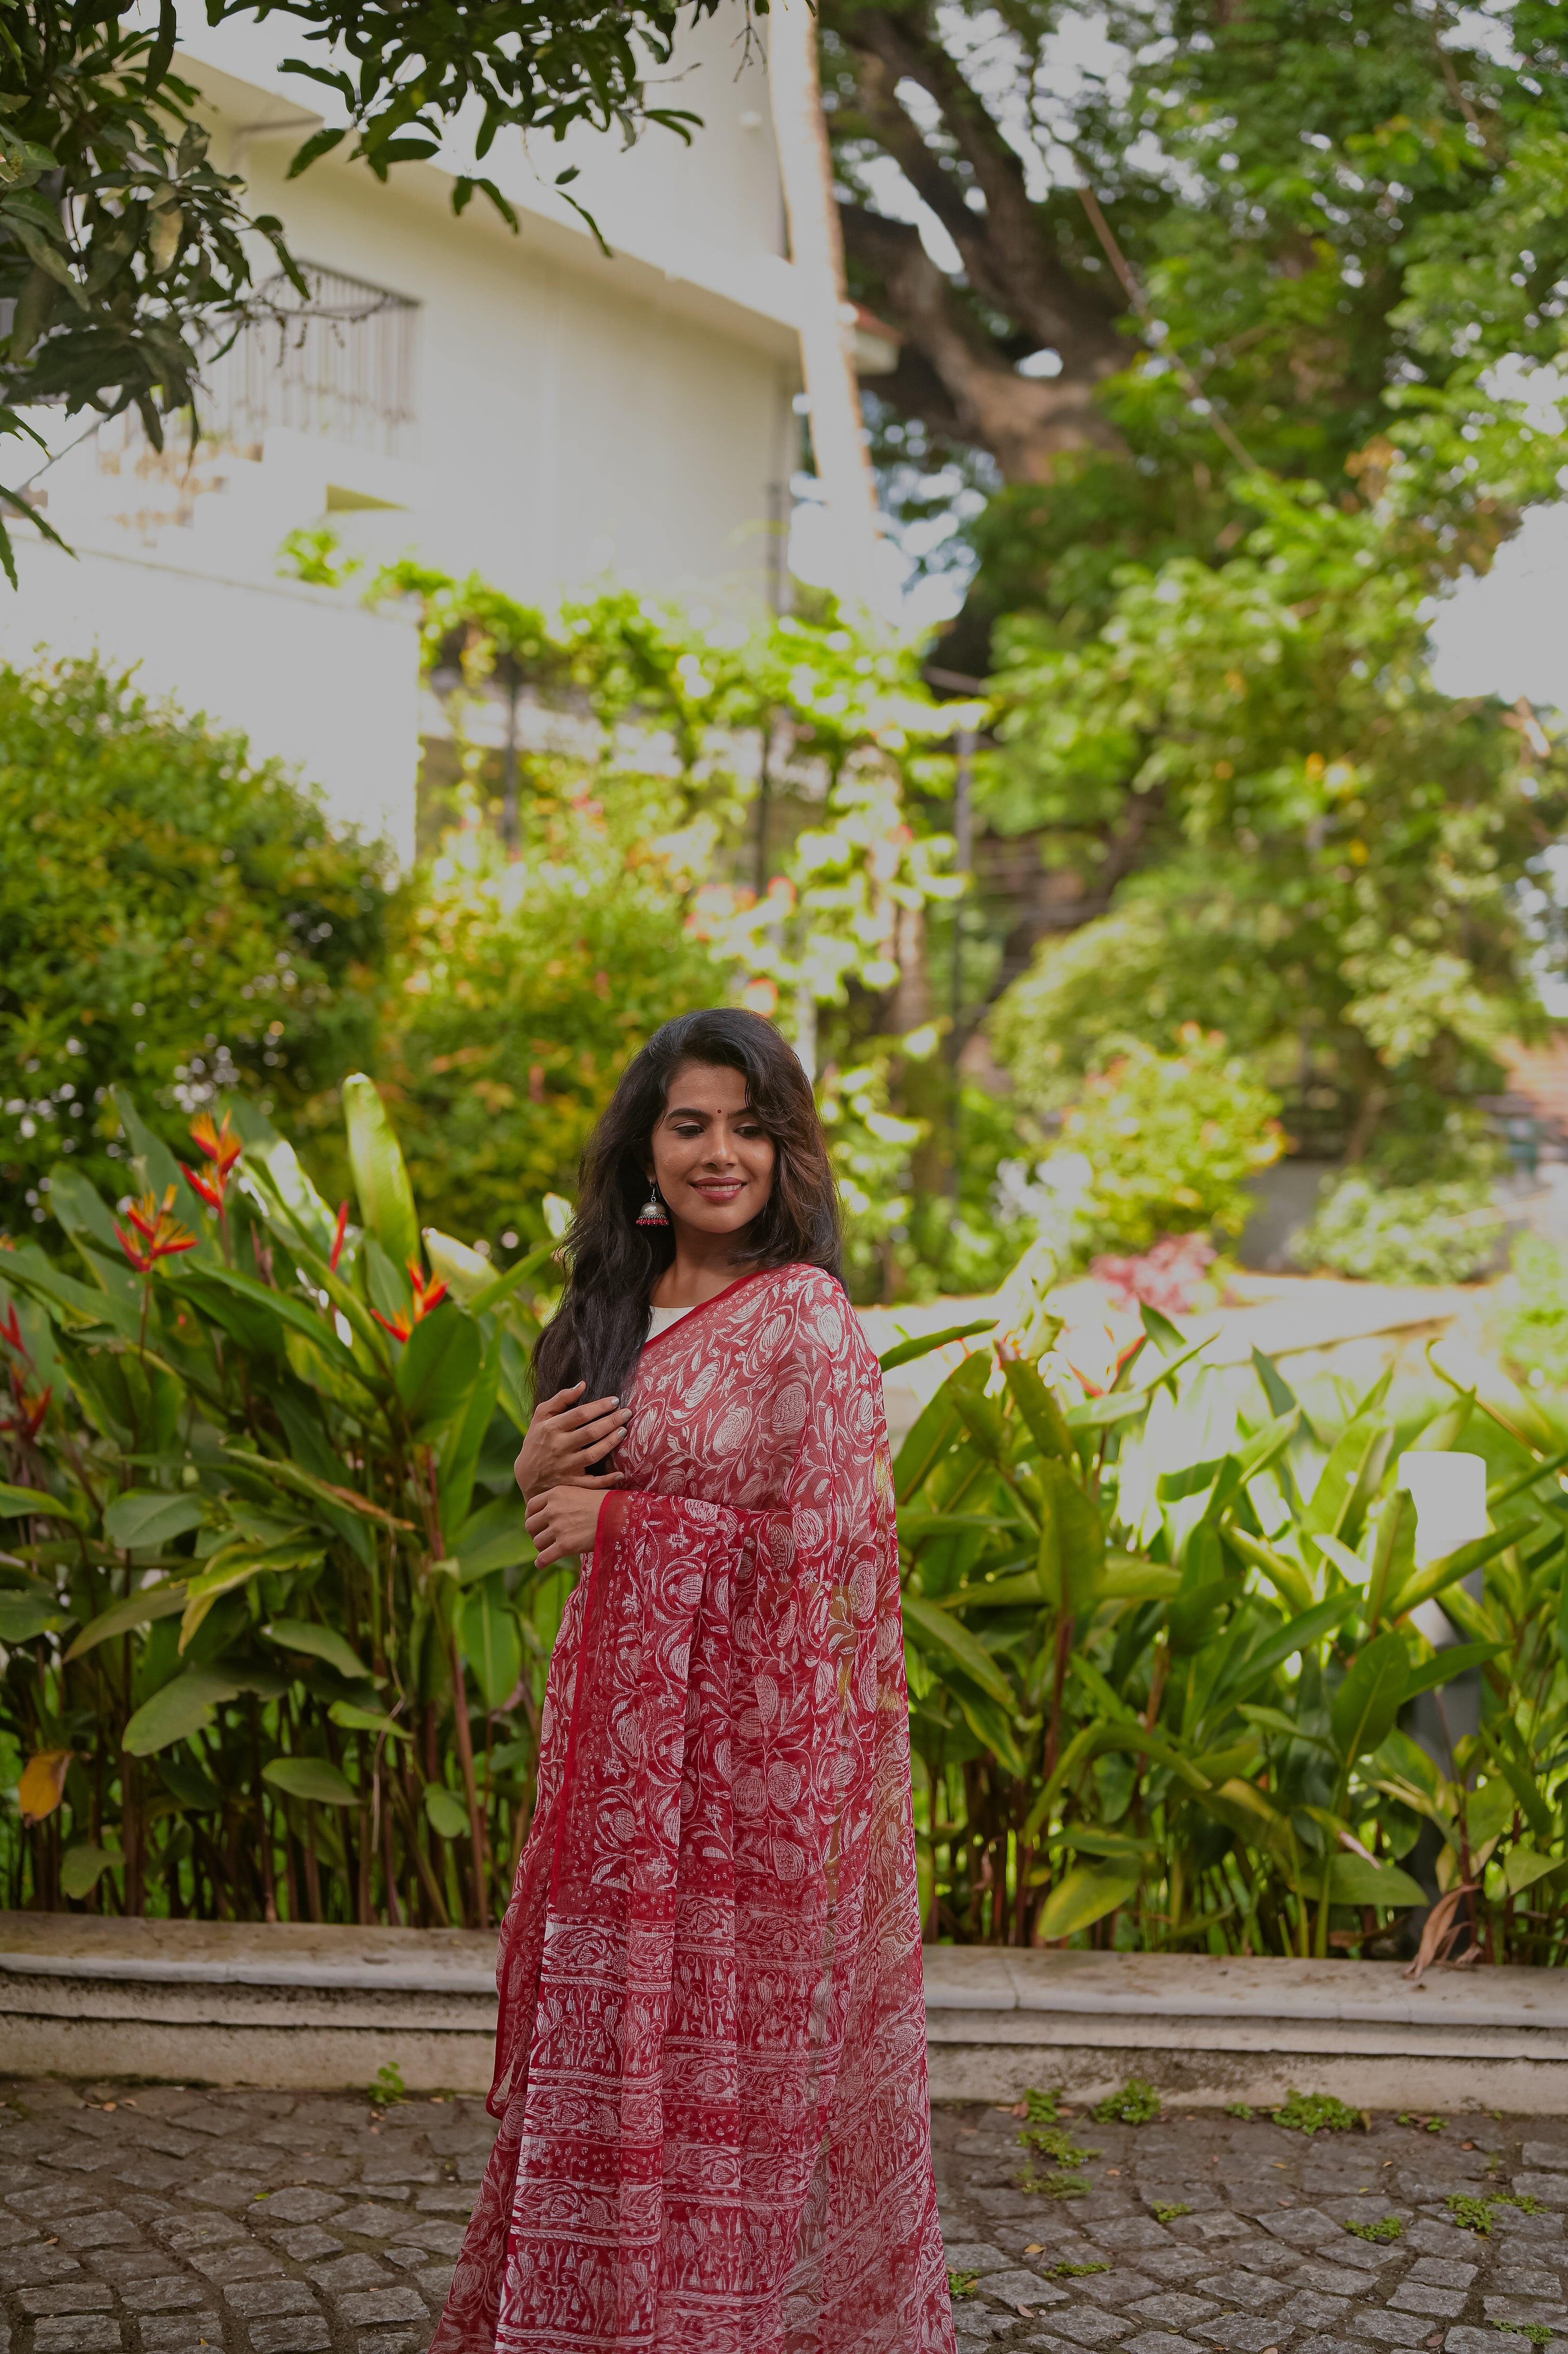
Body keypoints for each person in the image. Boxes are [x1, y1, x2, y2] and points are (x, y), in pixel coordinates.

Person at [432, 1007, 955, 2354]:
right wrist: (539, 1479)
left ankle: (699, 2332)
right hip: (613, 1766)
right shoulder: (614, 1309)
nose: (719, 1153)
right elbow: (568, 1530)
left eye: (749, 1125)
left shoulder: (808, 1326)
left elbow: (839, 1562)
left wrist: (631, 1529)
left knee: (713, 2084)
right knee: (603, 2066)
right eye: (690, 1125)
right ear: (645, 1148)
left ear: (786, 1151)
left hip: (741, 1789)